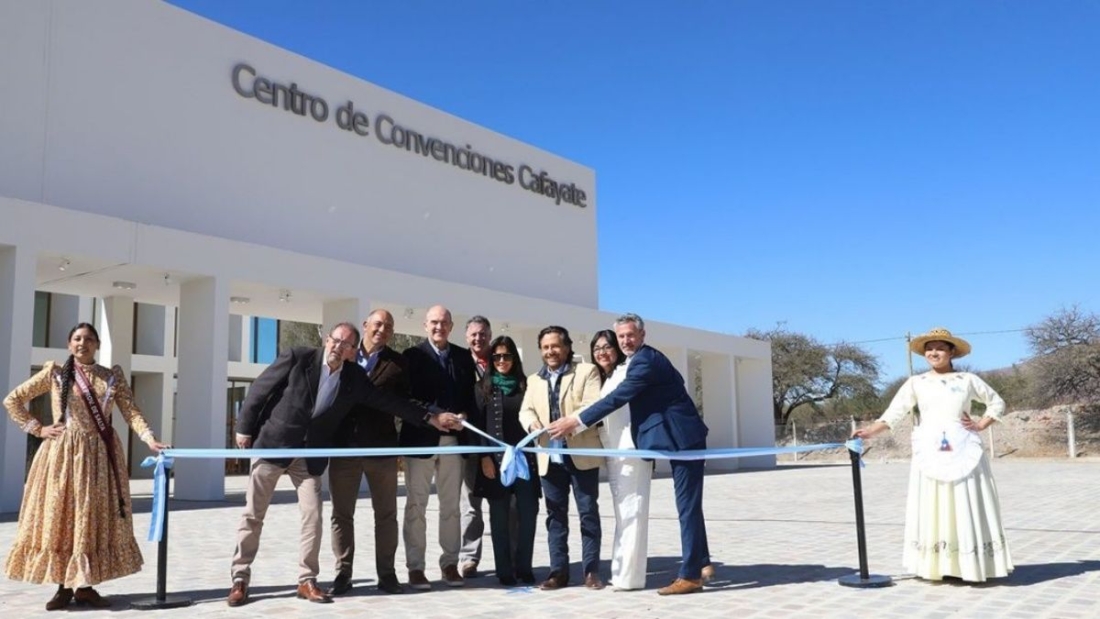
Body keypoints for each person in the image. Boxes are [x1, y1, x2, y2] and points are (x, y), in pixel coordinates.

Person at [228, 322, 461, 607]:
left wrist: (430, 418)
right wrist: (244, 428)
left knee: (312, 517)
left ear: (353, 351)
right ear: (327, 340)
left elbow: (389, 402)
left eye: (347, 344)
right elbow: (261, 389)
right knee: (253, 515)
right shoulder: (298, 357)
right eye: (336, 341)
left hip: (309, 455)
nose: (340, 347)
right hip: (274, 446)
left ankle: (306, 580)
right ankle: (240, 579)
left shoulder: (353, 377)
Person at [3, 322, 167, 611]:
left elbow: (131, 412)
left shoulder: (111, 377)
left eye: (89, 339)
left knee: (90, 518)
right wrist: (38, 429)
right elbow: (13, 400)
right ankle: (63, 587)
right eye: (77, 339)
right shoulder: (55, 374)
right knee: (63, 516)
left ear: (97, 345)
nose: (83, 343)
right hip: (63, 456)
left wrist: (149, 439)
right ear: (69, 344)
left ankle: (86, 586)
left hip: (100, 458)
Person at [547, 313, 713, 595]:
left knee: (686, 506)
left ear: (642, 335)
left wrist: (574, 422)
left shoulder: (645, 361)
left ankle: (691, 575)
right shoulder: (638, 362)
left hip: (685, 439)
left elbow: (616, 398)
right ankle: (703, 563)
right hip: (671, 439)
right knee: (689, 506)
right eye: (621, 336)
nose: (626, 340)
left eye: (630, 335)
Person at [852, 327, 1014, 583]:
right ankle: (936, 565)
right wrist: (871, 431)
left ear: (952, 352)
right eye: (929, 348)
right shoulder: (916, 382)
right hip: (929, 449)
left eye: (940, 347)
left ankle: (969, 564)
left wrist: (981, 424)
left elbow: (997, 402)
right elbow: (894, 413)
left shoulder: (967, 380)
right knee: (934, 502)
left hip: (963, 448)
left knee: (963, 500)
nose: (934, 352)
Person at [327, 310, 408, 596]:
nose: (382, 329)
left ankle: (387, 574)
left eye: (388, 326)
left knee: (386, 515)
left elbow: (407, 403)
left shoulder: (398, 364)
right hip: (343, 449)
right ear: (365, 326)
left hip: (382, 450)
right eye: (377, 324)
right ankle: (342, 573)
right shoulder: (344, 354)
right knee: (341, 515)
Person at [519, 326, 605, 591]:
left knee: (588, 513)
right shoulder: (534, 380)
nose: (550, 352)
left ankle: (590, 571)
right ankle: (559, 572)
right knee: (555, 517)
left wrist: (570, 424)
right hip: (549, 457)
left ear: (567, 347)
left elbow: (593, 405)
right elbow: (526, 410)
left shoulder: (586, 371)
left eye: (555, 346)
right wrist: (532, 425)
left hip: (581, 455)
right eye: (545, 348)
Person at [400, 305, 477, 590]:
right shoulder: (412, 356)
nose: (439, 327)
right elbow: (405, 398)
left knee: (451, 507)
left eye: (444, 322)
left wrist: (464, 417)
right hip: (420, 438)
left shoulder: (462, 357)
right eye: (434, 322)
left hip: (452, 443)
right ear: (424, 325)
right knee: (416, 506)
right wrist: (434, 416)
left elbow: (470, 397)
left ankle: (449, 564)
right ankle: (415, 568)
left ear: (451, 326)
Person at [470, 336, 540, 586]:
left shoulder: (527, 385)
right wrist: (484, 458)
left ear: (514, 358)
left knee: (528, 513)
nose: (501, 360)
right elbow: (476, 427)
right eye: (497, 356)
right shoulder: (482, 387)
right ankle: (504, 570)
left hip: (525, 461)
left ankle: (524, 567)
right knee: (498, 517)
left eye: (506, 356)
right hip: (495, 462)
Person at [591, 329, 652, 591]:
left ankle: (631, 577)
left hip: (631, 451)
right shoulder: (609, 376)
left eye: (607, 346)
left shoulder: (627, 370)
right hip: (613, 453)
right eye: (597, 348)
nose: (602, 352)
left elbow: (613, 404)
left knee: (632, 512)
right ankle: (621, 571)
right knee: (622, 513)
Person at [459, 315, 492, 579]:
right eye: (473, 334)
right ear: (466, 337)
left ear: (489, 336)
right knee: (471, 505)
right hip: (469, 445)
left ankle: (511, 557)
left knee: (506, 505)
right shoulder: (459, 362)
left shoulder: (503, 360)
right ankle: (469, 559)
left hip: (499, 443)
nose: (478, 338)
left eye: (482, 334)